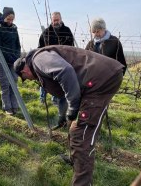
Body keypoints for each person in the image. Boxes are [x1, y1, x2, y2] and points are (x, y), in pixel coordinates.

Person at [14, 45, 124, 186]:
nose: (28, 80)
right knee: (75, 128)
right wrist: (67, 112)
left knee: (81, 134)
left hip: (99, 82)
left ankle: (82, 183)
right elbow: (63, 84)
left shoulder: (39, 59)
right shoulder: (40, 59)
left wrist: (72, 106)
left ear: (24, 70)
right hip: (97, 80)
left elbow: (65, 71)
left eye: (25, 78)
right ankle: (75, 160)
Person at [38, 11, 75, 130]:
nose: (55, 22)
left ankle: (62, 116)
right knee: (49, 84)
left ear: (61, 19)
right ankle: (43, 98)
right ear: (51, 20)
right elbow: (40, 48)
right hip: (49, 65)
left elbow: (71, 48)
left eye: (57, 20)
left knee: (62, 91)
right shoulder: (46, 32)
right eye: (54, 20)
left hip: (63, 65)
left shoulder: (67, 31)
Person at [0, 7, 20, 115]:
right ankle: (7, 107)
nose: (10, 21)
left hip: (13, 60)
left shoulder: (14, 28)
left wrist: (17, 57)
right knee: (4, 84)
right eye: (8, 19)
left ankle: (15, 106)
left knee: (14, 82)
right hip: (0, 60)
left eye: (12, 19)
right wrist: (8, 56)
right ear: (4, 17)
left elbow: (17, 45)